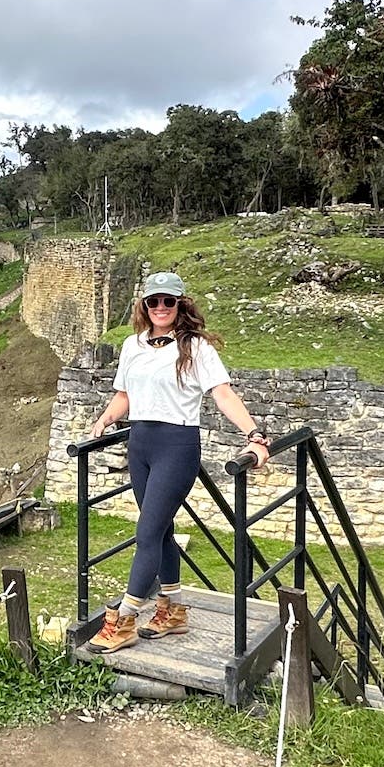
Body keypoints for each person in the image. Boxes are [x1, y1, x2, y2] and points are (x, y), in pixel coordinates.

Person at [83, 270, 268, 653]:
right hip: (141, 445)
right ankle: (172, 611)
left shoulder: (196, 348)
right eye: (154, 301)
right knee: (163, 531)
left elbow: (223, 395)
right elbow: (124, 396)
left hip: (177, 445)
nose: (161, 307)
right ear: (145, 306)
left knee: (147, 534)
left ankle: (125, 619)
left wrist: (253, 434)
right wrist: (104, 419)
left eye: (169, 300)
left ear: (181, 304)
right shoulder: (132, 345)